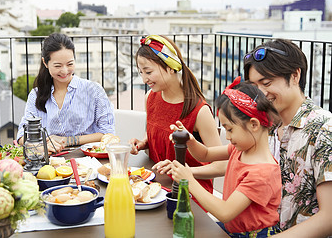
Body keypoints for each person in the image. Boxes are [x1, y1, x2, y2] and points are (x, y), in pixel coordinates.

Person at [161, 78, 282, 237]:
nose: (228, 136)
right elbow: (205, 154)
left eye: (230, 129)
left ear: (254, 125)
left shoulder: (262, 172)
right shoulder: (242, 149)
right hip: (233, 228)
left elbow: (225, 212)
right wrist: (190, 140)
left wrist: (189, 180)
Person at [243, 39, 332, 237]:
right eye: (254, 86)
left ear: (295, 75)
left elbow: (329, 218)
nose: (260, 94)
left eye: (266, 83)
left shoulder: (324, 129)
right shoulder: (270, 123)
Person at [129, 34, 223, 197]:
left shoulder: (199, 110)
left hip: (189, 194)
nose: (144, 79)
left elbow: (221, 166)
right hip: (156, 187)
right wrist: (144, 142)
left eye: (148, 72)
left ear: (170, 66)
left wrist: (183, 172)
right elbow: (155, 130)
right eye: (141, 73)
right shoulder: (150, 98)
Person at [17, 33, 115, 152]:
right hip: (50, 158)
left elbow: (107, 133)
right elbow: (22, 136)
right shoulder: (36, 94)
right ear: (45, 63)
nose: (64, 71)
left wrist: (67, 140)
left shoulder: (93, 90)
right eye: (58, 66)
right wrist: (43, 145)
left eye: (70, 64)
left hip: (88, 157)